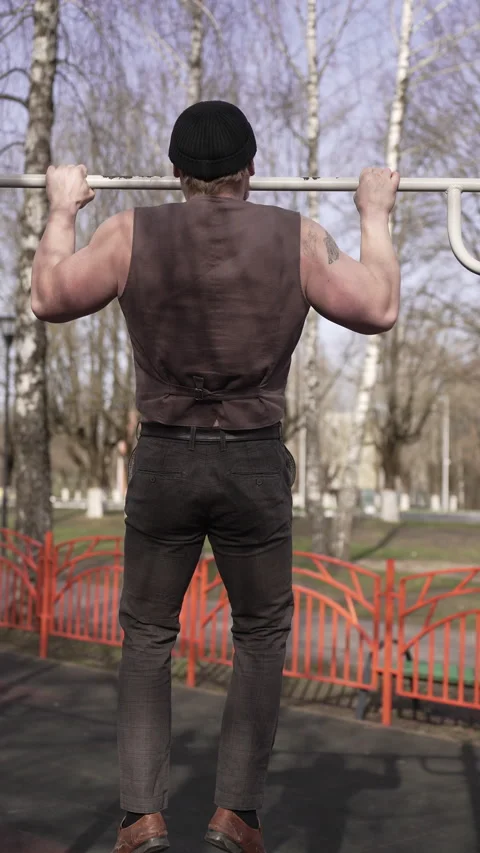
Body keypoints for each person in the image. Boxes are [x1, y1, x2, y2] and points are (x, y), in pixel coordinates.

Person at [31, 100, 400, 853]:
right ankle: (237, 814)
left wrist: (62, 209)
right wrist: (374, 214)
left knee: (146, 636)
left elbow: (48, 297)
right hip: (252, 462)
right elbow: (380, 306)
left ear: (175, 171)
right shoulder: (299, 237)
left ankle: (140, 818)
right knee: (260, 635)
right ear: (250, 168)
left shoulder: (128, 233)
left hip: (166, 457)